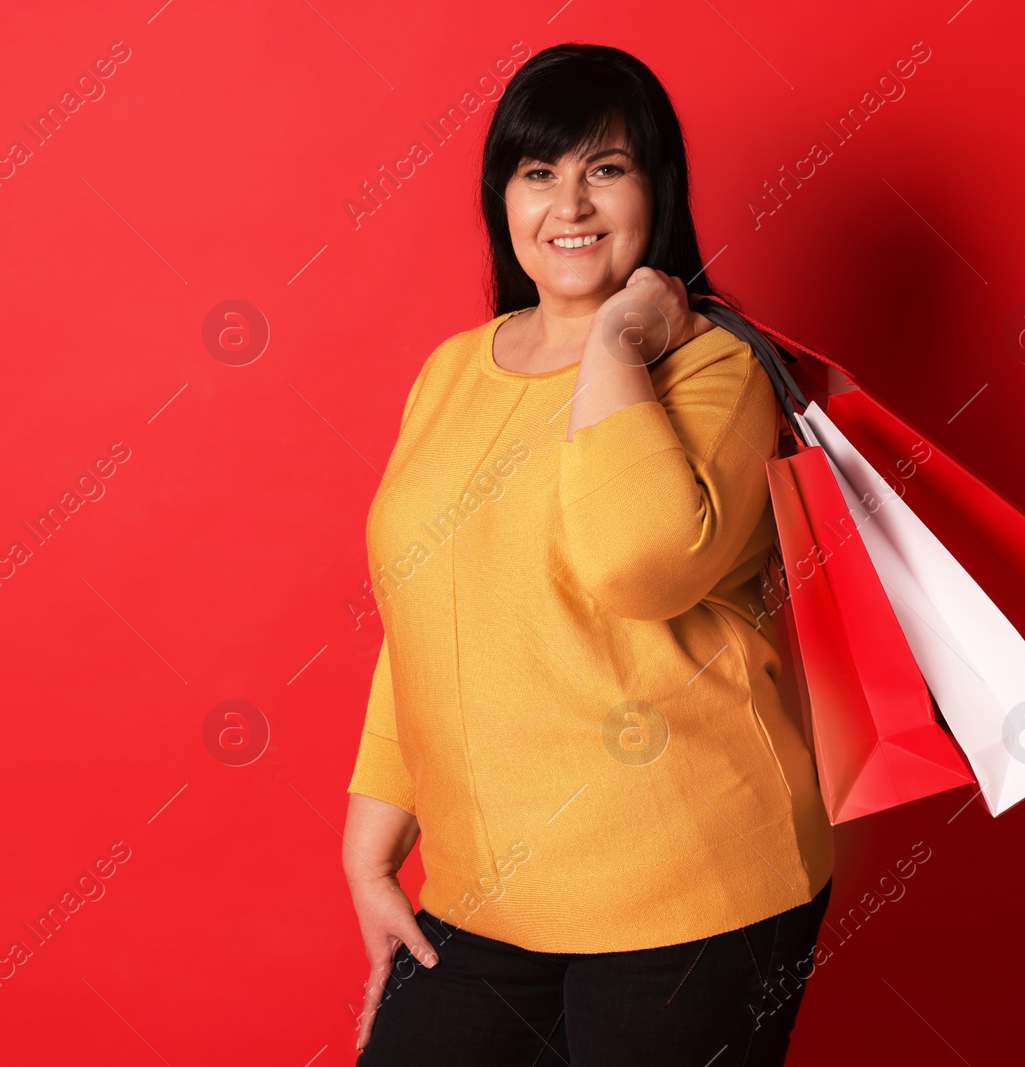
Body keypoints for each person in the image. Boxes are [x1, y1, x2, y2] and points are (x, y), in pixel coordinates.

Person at [343, 42, 834, 1066]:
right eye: (539, 171)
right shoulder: (449, 373)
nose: (569, 201)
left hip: (693, 891)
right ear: (503, 197)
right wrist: (371, 842)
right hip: (486, 893)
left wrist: (617, 344)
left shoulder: (714, 367)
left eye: (605, 168)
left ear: (656, 190)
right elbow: (424, 607)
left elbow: (639, 565)